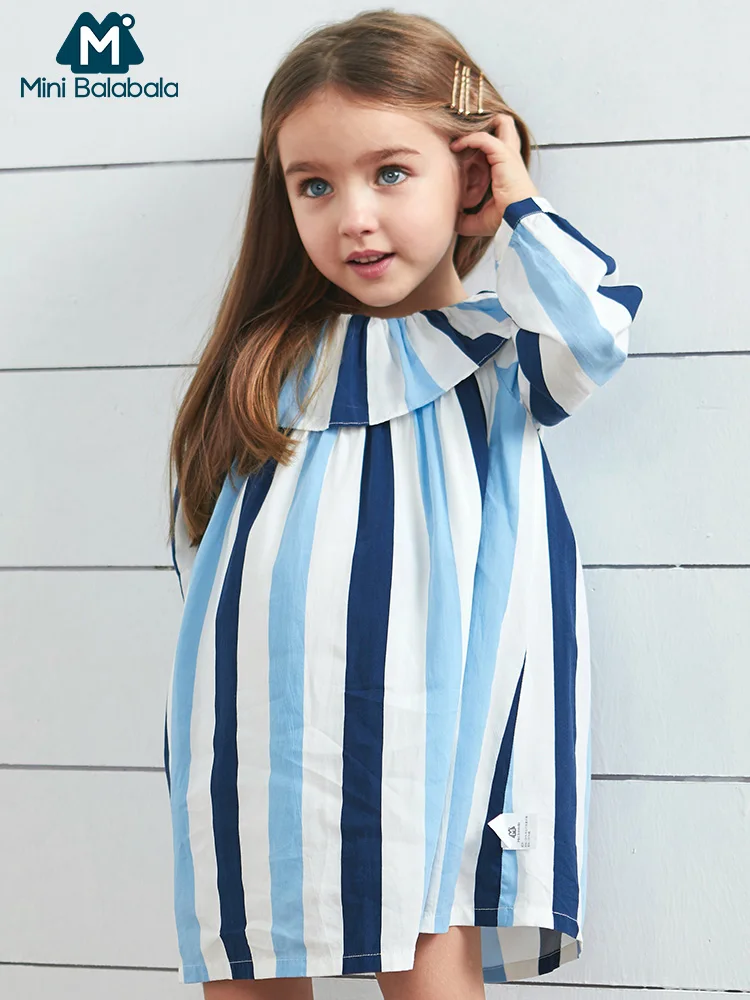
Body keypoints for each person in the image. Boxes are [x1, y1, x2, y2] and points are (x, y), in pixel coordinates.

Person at [163, 9, 644, 999]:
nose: (353, 217)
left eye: (390, 172)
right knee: (251, 944)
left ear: (465, 175)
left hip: (436, 721)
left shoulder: (502, 352)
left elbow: (595, 334)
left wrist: (515, 200)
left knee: (428, 939)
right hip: (261, 717)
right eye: (314, 185)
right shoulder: (270, 363)